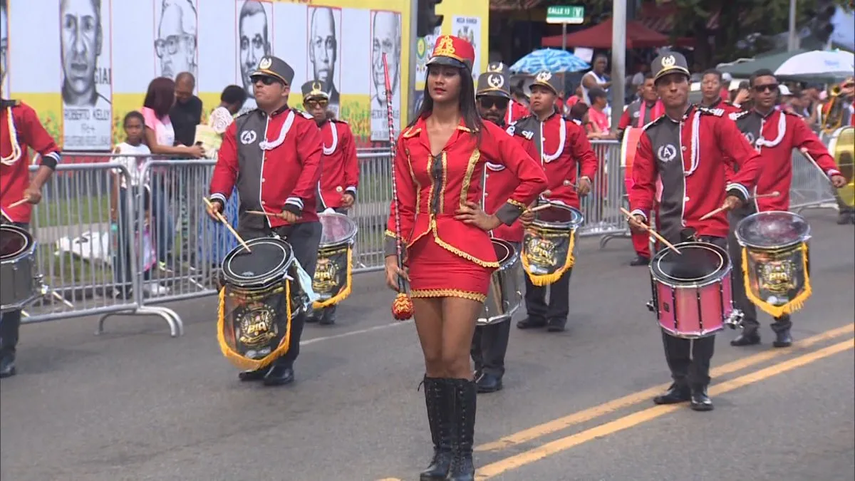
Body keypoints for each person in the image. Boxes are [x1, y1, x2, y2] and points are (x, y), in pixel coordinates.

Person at [383, 36, 547, 480]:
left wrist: (498, 217)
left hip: (466, 255)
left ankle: (464, 456)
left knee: (457, 357)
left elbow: (533, 174)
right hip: (421, 254)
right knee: (433, 359)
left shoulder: (482, 134)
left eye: (449, 71)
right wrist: (392, 254)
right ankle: (442, 455)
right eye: (434, 70)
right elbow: (401, 200)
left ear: (464, 80)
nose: (439, 78)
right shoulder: (410, 137)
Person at [627, 52, 762, 411]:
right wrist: (639, 211)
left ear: (690, 84)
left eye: (680, 80)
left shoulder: (716, 123)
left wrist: (737, 191)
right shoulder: (650, 135)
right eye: (666, 82)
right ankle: (680, 380)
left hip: (710, 231)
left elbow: (750, 160)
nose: (674, 87)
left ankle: (700, 383)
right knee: (669, 310)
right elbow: (641, 183)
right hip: (669, 235)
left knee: (705, 312)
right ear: (655, 89)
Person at [207, 55, 324, 387]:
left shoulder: (302, 126)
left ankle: (286, 359)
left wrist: (295, 200)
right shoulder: (241, 125)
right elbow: (227, 166)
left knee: (291, 294)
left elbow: (312, 164)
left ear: (285, 89)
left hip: (295, 224)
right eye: (256, 79)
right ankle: (258, 355)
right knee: (251, 294)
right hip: (253, 225)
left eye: (267, 80)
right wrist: (218, 196)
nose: (258, 85)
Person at [728, 69, 846, 349]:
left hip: (773, 208)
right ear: (752, 93)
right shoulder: (737, 123)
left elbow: (815, 149)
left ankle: (782, 326)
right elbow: (722, 158)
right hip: (741, 207)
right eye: (761, 88)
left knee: (776, 271)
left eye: (772, 87)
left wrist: (832, 172)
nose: (767, 92)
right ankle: (749, 326)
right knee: (741, 269)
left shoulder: (791, 123)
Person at [511, 70, 598, 333]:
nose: (536, 96)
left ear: (557, 96)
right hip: (531, 204)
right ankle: (535, 310)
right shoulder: (520, 128)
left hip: (563, 205)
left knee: (562, 259)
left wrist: (586, 178)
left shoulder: (571, 128)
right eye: (534, 91)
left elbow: (588, 158)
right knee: (532, 257)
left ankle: (558, 314)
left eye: (543, 91)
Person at [469, 69, 529, 394]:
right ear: (475, 102)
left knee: (497, 306)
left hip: (502, 237)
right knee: (467, 304)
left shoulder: (519, 143)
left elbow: (532, 183)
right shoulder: (461, 137)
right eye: (487, 102)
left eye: (499, 104)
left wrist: (508, 216)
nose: (493, 109)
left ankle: (493, 368)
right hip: (465, 238)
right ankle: (477, 361)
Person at [0, 80, 61, 378]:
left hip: (11, 214)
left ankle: (5, 353)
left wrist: (36, 184)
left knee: (7, 289)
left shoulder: (19, 115)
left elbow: (51, 152)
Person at [301, 80, 358, 326]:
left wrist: (350, 190)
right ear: (304, 105)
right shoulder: (298, 130)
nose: (317, 108)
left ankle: (331, 304)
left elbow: (350, 162)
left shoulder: (341, 130)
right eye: (311, 103)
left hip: (334, 202)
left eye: (321, 102)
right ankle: (314, 301)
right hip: (307, 203)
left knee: (334, 257)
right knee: (310, 256)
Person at [110, 111, 164, 298]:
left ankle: (142, 281)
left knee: (142, 240)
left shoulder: (145, 150)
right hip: (126, 193)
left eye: (138, 127)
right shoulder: (120, 148)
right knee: (125, 241)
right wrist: (114, 207)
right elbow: (116, 180)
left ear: (143, 129)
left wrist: (149, 208)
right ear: (125, 128)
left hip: (142, 194)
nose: (134, 130)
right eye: (130, 127)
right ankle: (122, 284)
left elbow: (147, 181)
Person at [616, 72, 664, 266]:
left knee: (663, 206)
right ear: (641, 89)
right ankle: (643, 252)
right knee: (638, 206)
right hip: (638, 162)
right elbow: (620, 130)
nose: (652, 89)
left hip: (663, 161)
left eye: (655, 85)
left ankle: (662, 249)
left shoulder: (666, 108)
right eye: (649, 85)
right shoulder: (633, 108)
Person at [169, 72, 202, 148]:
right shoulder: (169, 102)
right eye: (180, 93)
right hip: (171, 149)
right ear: (175, 87)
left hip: (191, 150)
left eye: (188, 94)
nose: (184, 97)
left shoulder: (197, 103)